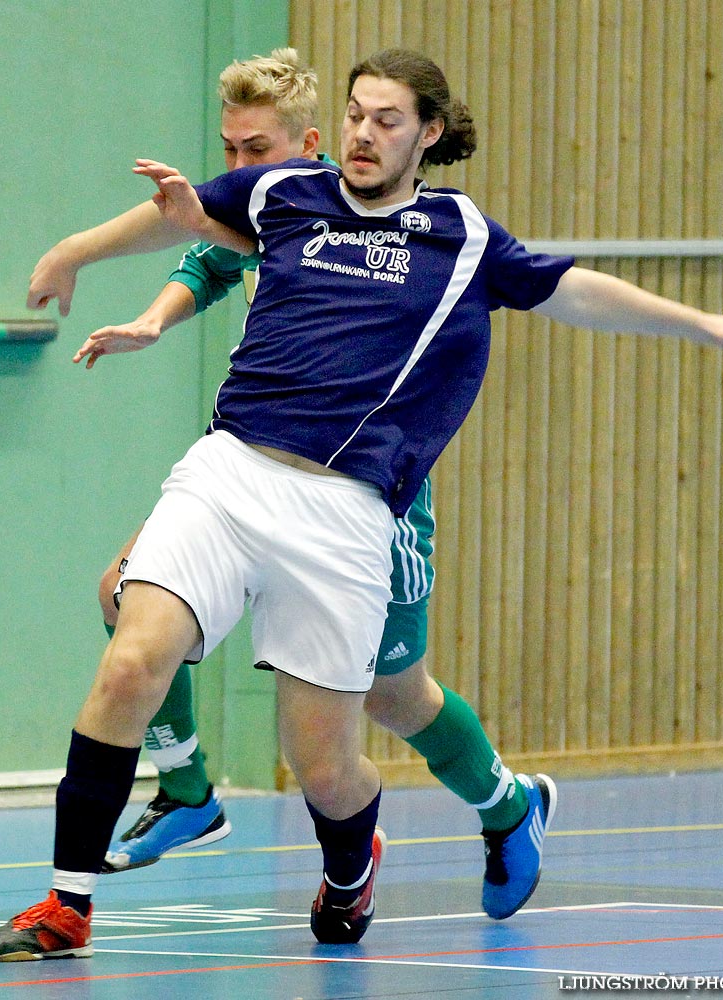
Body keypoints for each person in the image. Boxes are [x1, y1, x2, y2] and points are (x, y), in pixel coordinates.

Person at [0, 48, 723, 962]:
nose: (364, 132)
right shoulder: (286, 194)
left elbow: (573, 291)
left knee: (329, 762)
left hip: (348, 510)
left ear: (428, 133)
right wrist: (75, 251)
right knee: (130, 656)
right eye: (357, 113)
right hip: (230, 472)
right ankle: (68, 904)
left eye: (387, 119)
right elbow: (185, 225)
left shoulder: (460, 236)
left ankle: (361, 866)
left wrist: (704, 325)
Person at [91, 48, 550, 930]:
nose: (234, 174)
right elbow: (210, 261)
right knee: (123, 590)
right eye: (225, 152)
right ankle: (187, 787)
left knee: (394, 694)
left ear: (307, 145)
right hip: (258, 469)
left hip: (371, 498)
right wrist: (152, 316)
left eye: (251, 151)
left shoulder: (400, 222)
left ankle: (505, 805)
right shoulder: (279, 208)